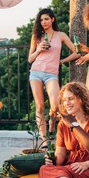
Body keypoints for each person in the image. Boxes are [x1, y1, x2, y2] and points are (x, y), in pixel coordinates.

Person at [28, 8, 80, 142]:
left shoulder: (60, 35)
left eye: (46, 19)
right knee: (39, 106)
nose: (43, 22)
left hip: (51, 74)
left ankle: (52, 123)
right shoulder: (36, 36)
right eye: (41, 20)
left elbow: (76, 52)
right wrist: (39, 49)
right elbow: (30, 59)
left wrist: (62, 60)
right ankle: (44, 139)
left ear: (52, 19)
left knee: (56, 106)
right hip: (36, 72)